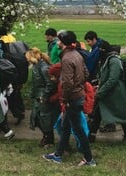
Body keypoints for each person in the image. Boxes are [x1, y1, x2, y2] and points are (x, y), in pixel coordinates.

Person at [43, 30, 96, 167]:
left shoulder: (66, 59)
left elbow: (66, 83)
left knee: (77, 129)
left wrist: (65, 100)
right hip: (78, 95)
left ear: (64, 43)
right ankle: (58, 155)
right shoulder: (77, 54)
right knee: (65, 126)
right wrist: (79, 85)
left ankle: (89, 159)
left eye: (59, 40)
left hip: (72, 99)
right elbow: (86, 73)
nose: (57, 43)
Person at [94, 43, 126, 142]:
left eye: (101, 50)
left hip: (116, 92)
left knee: (121, 113)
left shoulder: (114, 61)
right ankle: (91, 135)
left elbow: (113, 79)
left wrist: (100, 92)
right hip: (110, 91)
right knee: (98, 111)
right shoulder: (108, 59)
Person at [25, 47, 55, 146]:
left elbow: (49, 84)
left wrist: (44, 96)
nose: (27, 60)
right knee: (38, 117)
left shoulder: (43, 67)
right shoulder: (38, 66)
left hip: (42, 97)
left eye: (28, 58)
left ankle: (48, 138)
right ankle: (47, 137)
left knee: (43, 118)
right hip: (39, 96)